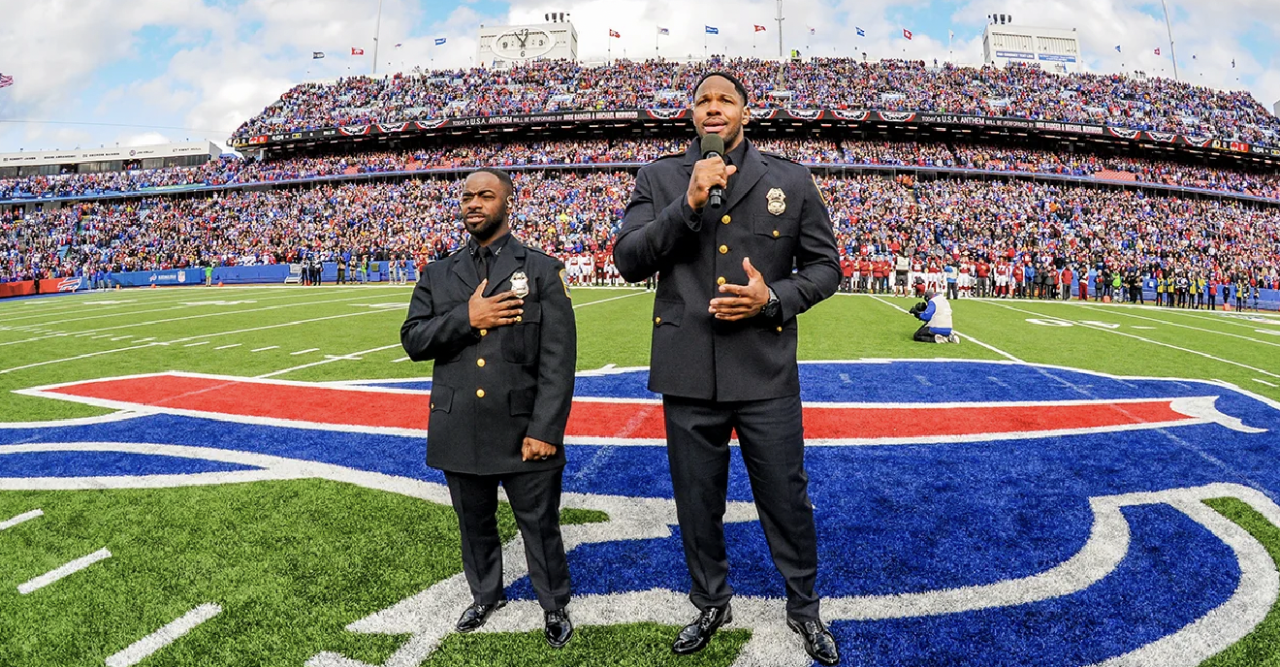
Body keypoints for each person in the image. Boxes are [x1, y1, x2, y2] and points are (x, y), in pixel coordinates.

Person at [613, 71, 841, 666]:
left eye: (725, 100)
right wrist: (686, 205)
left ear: (746, 111)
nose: (713, 109)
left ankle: (804, 604)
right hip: (687, 369)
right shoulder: (659, 177)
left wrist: (773, 300)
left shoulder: (789, 179)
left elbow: (825, 268)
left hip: (763, 368)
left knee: (786, 496)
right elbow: (629, 259)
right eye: (703, 101)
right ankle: (711, 600)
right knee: (696, 498)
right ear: (691, 113)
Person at [400, 168, 577, 648]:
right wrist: (466, 318)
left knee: (540, 526)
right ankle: (485, 594)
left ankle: (554, 603)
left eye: (485, 195)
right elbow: (413, 340)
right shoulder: (438, 274)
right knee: (473, 524)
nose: (473, 203)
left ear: (506, 203)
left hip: (524, 427)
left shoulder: (540, 269)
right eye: (466, 196)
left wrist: (546, 429)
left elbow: (559, 361)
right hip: (460, 425)